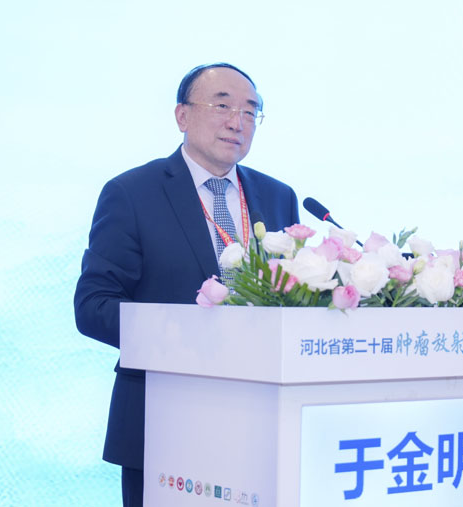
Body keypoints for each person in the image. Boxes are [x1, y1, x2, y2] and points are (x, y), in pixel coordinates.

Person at [74, 63, 299, 507]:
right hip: (164, 420)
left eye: (250, 111)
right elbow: (93, 306)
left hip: (262, 421)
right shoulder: (132, 193)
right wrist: (189, 334)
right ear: (182, 115)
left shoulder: (279, 197)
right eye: (222, 106)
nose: (237, 122)